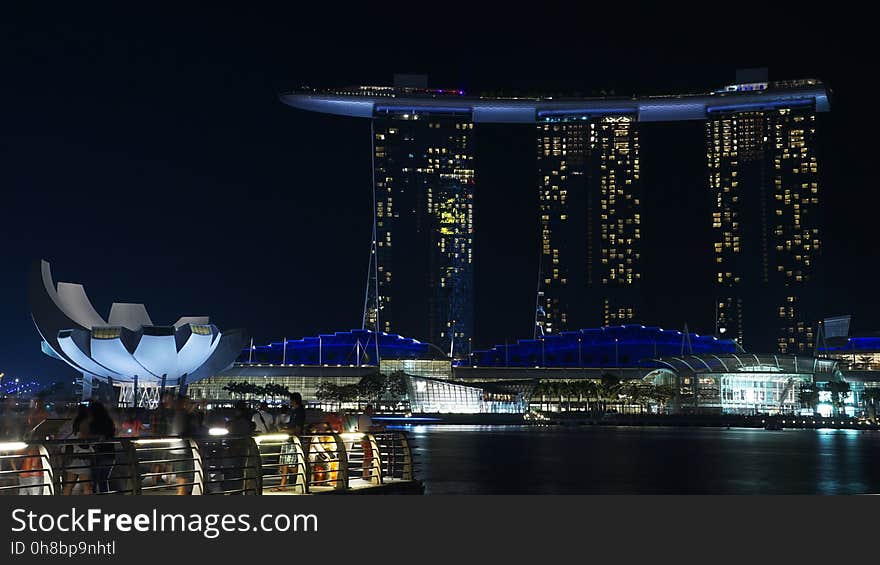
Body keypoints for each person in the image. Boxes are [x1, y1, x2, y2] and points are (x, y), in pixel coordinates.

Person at [62, 405, 92, 496]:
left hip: (73, 455)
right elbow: (83, 437)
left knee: (69, 485)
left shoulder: (74, 422)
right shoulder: (85, 422)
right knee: (87, 486)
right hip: (82, 457)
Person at [88, 401, 116, 494]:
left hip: (97, 453)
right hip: (110, 453)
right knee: (104, 480)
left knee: (94, 480)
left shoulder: (93, 423)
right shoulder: (109, 422)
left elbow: (90, 437)